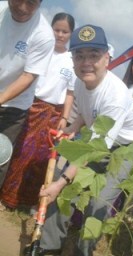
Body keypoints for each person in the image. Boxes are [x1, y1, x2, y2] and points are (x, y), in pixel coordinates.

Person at [34, 24, 133, 256]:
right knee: (62, 186)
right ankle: (49, 248)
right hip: (100, 141)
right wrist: (74, 127)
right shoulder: (80, 81)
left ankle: (83, 251)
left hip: (127, 147)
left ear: (106, 58)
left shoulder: (115, 95)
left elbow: (93, 151)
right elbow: (87, 113)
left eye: (94, 55)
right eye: (79, 55)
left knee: (97, 204)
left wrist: (61, 181)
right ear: (73, 60)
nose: (86, 62)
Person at [0, 12, 76, 210]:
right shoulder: (42, 47)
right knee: (18, 150)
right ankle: (7, 196)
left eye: (64, 31)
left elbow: (70, 93)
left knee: (41, 157)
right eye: (56, 30)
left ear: (71, 34)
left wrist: (65, 118)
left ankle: (28, 201)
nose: (59, 35)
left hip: (53, 115)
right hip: (31, 106)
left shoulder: (71, 61)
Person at [0, 0, 55, 186]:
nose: (22, 8)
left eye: (31, 3)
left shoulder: (43, 34)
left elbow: (28, 75)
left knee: (0, 154)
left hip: (12, 107)